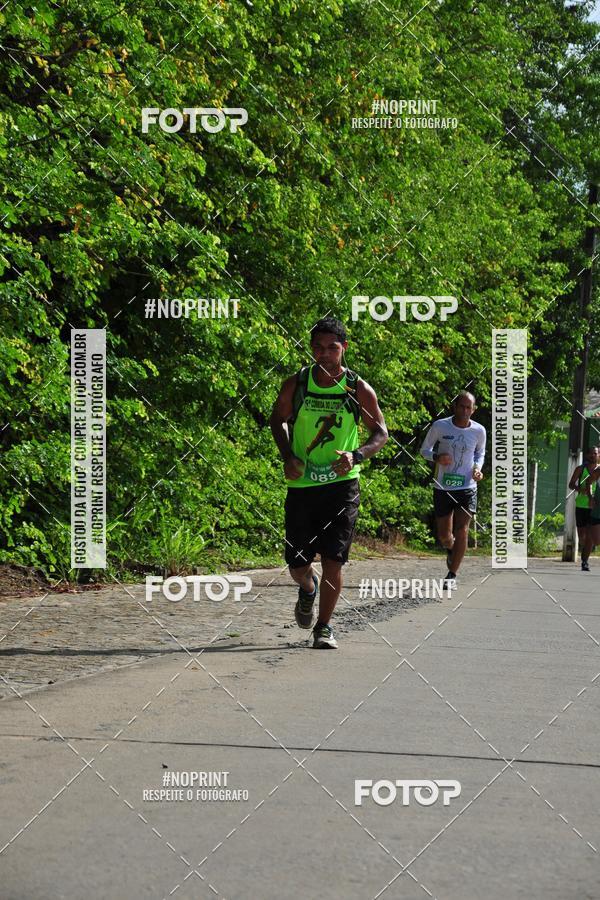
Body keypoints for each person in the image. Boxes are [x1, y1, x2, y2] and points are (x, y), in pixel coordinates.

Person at [270, 317, 388, 649]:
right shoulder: (297, 384)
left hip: (342, 486)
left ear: (344, 348)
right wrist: (287, 456)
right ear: (311, 350)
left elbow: (381, 433)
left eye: (332, 348)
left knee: (334, 559)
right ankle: (308, 588)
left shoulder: (357, 388)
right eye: (318, 348)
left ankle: (324, 627)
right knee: (297, 565)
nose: (324, 354)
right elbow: (277, 419)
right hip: (303, 486)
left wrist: (357, 455)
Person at [420, 392, 486, 587]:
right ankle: (451, 548)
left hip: (467, 487)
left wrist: (477, 469)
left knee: (462, 530)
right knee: (445, 536)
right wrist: (437, 458)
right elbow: (425, 450)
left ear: (474, 410)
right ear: (454, 407)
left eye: (469, 408)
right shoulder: (441, 426)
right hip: (443, 486)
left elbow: (480, 453)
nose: (465, 411)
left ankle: (452, 575)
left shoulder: (479, 430)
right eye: (462, 407)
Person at [569, 445, 599, 571]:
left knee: (591, 537)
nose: (593, 455)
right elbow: (571, 484)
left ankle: (585, 561)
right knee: (583, 536)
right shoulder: (581, 469)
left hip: (594, 507)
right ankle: (585, 549)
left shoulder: (599, 470)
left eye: (595, 453)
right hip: (581, 505)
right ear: (587, 455)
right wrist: (579, 489)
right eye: (591, 453)